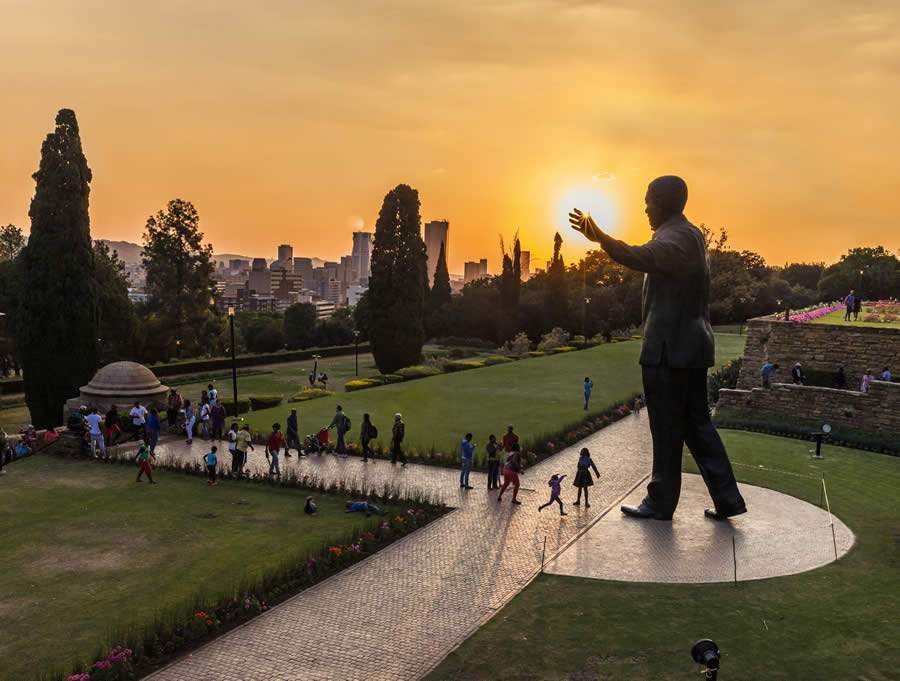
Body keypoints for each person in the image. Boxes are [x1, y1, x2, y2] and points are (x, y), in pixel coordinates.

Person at [571, 174, 746, 521]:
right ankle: (728, 499)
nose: (645, 208)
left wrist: (599, 236)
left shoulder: (675, 239)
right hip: (689, 347)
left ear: (663, 203)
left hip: (670, 349)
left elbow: (639, 256)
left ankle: (660, 502)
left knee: (667, 428)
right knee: (697, 426)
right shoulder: (689, 235)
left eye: (648, 201)